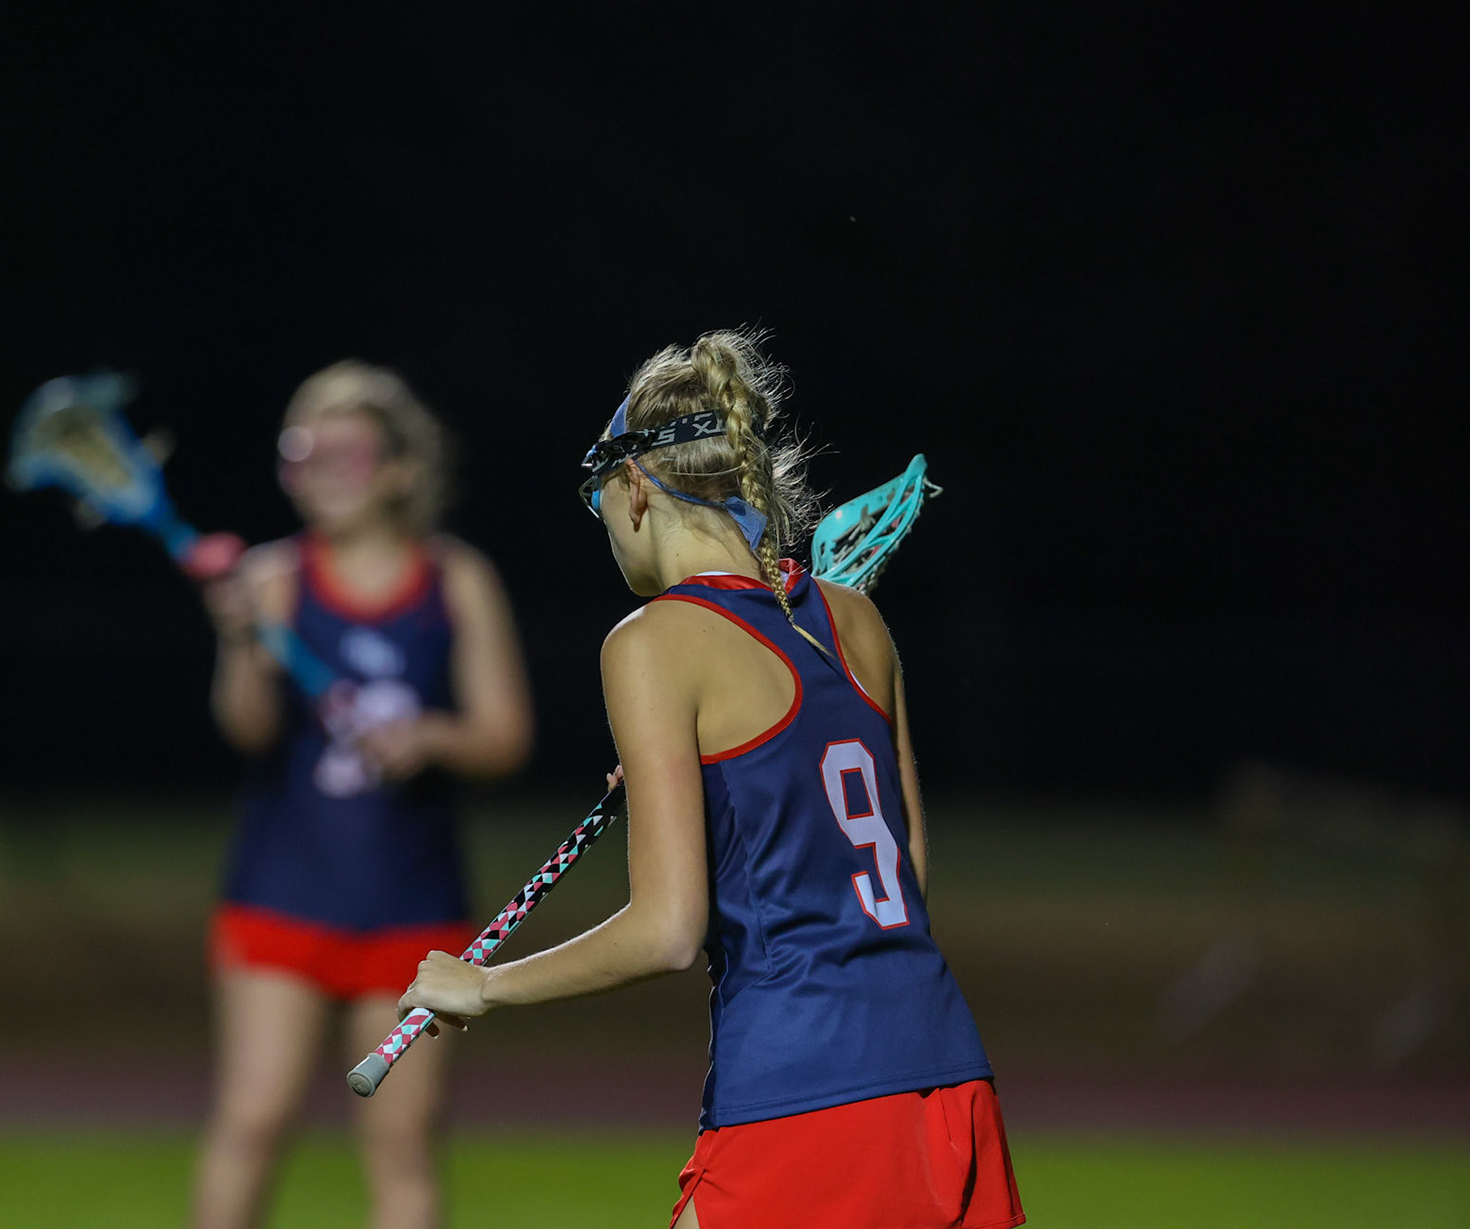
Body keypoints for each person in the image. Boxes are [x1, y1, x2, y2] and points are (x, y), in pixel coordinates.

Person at [399, 332, 1024, 1228]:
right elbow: (901, 870)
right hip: (948, 1080)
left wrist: (483, 986)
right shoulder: (856, 619)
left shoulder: (651, 641)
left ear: (638, 489)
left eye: (599, 505)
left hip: (804, 1095)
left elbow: (666, 931)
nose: (608, 529)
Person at [194, 362, 533, 1229]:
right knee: (253, 1120)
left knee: (401, 1140)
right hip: (281, 893)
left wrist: (430, 735)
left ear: (400, 470)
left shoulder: (456, 579)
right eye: (303, 452)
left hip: (410, 906)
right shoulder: (272, 580)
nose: (321, 471)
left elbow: (504, 735)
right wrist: (241, 647)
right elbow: (249, 730)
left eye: (346, 452)